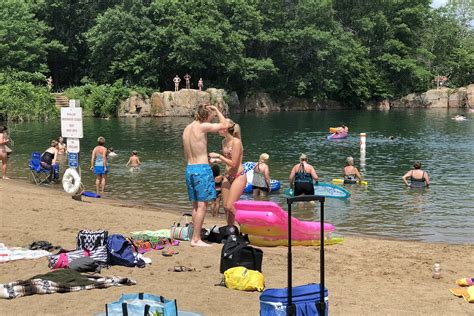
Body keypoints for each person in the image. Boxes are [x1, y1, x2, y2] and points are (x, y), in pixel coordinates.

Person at [183, 104, 229, 247]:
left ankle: (195, 236)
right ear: (206, 116)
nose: (213, 118)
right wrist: (216, 109)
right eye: (211, 116)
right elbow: (225, 125)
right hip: (201, 169)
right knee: (202, 205)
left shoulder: (187, 128)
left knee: (196, 205)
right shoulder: (202, 126)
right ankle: (196, 239)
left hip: (189, 168)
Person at [209, 119, 246, 226]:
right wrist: (216, 160)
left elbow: (234, 163)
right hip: (227, 176)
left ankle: (246, 227)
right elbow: (228, 159)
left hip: (238, 176)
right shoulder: (224, 142)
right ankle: (231, 231)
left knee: (230, 206)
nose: (217, 129)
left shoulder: (236, 142)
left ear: (225, 129)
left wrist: (218, 155)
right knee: (226, 207)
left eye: (220, 127)